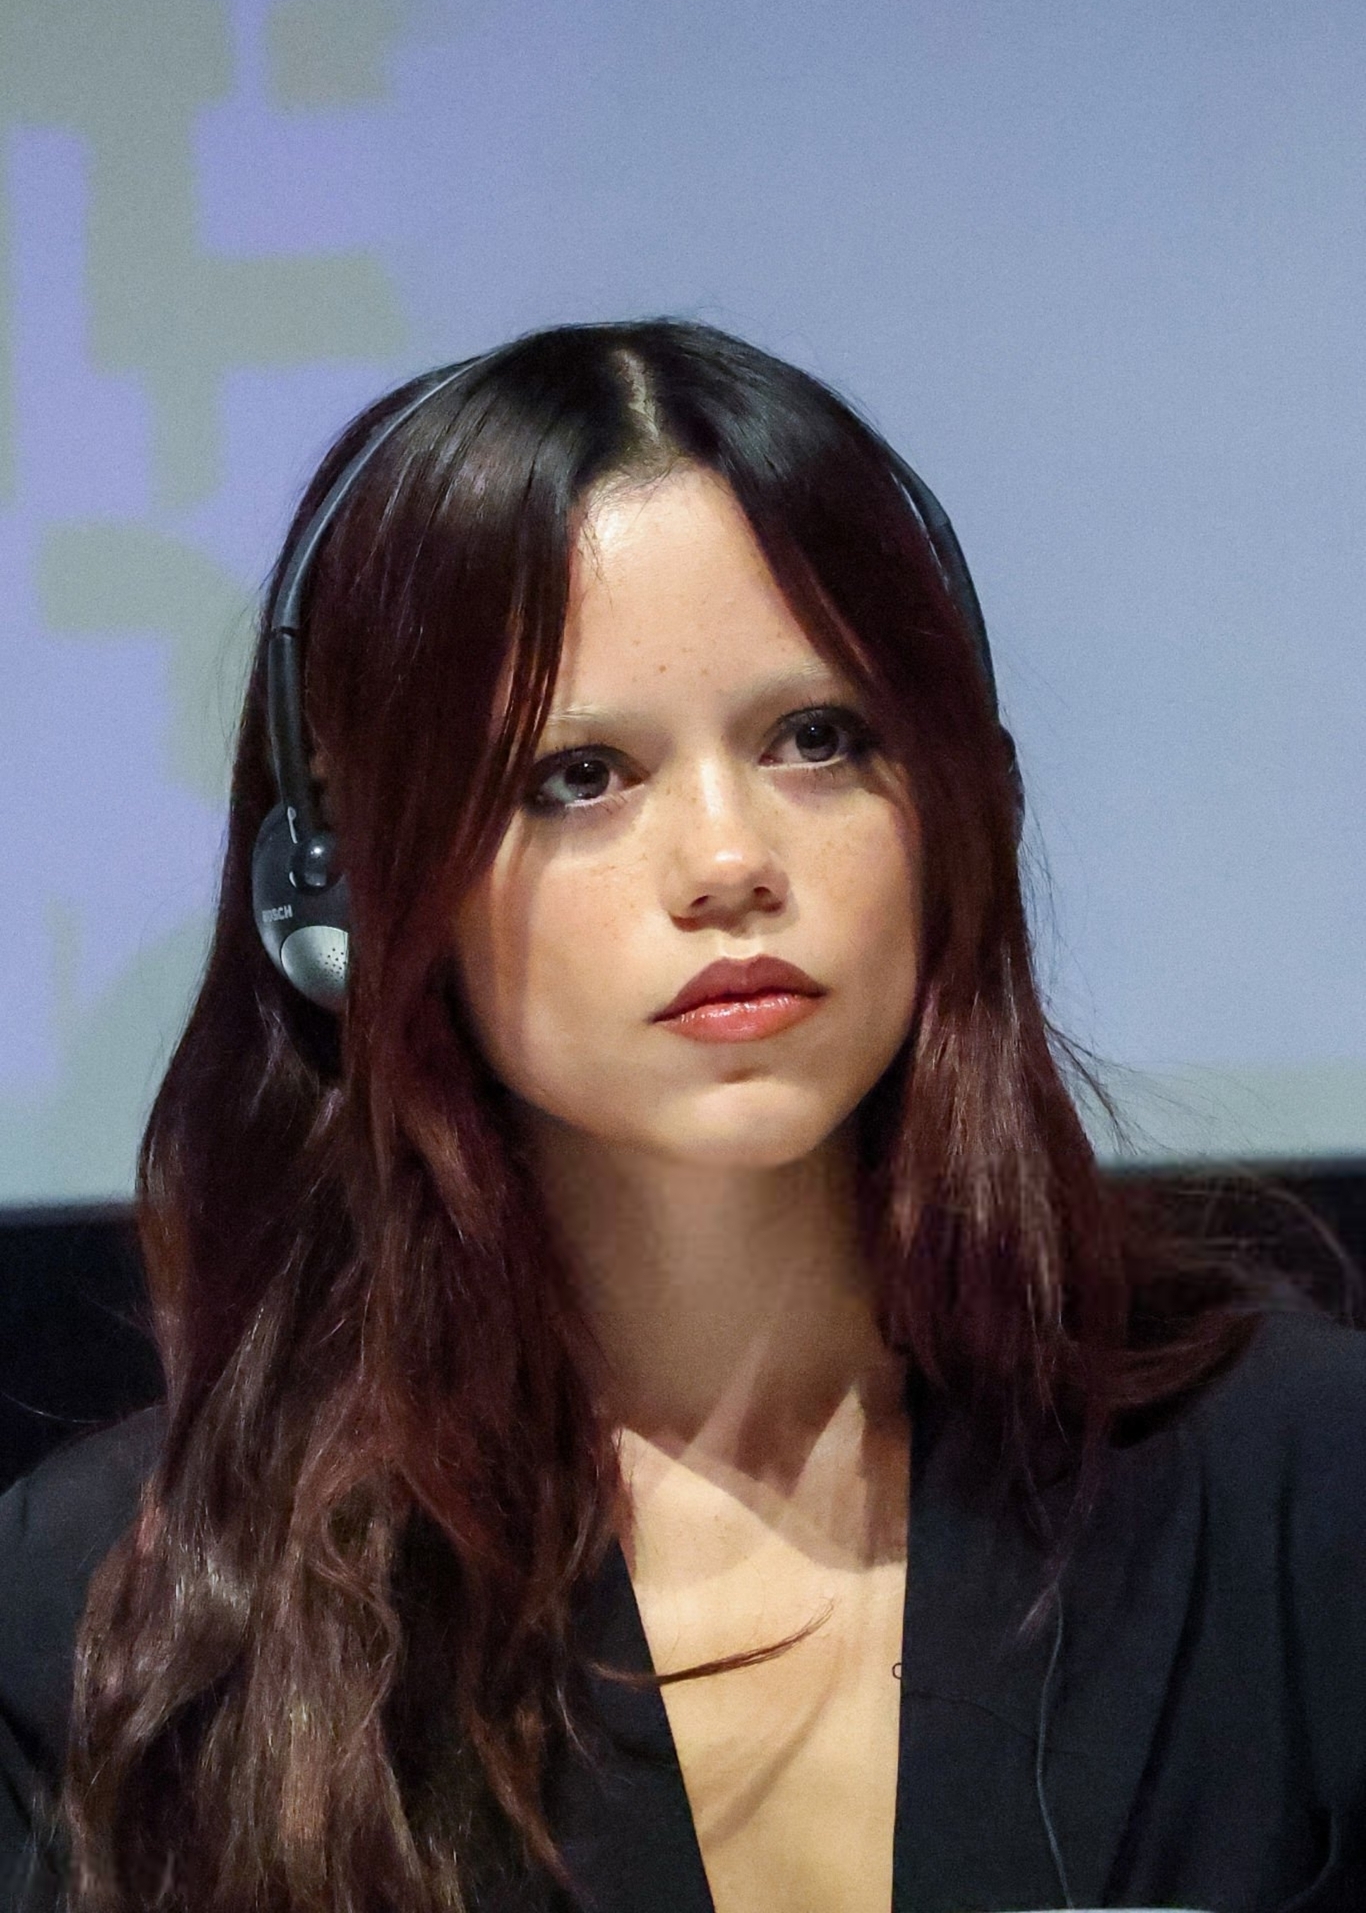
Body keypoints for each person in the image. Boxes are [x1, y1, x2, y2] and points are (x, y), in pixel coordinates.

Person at [0, 318, 1362, 1913]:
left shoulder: (1300, 1484)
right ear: (349, 888)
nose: (727, 861)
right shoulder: (125, 1610)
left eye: (816, 740)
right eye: (577, 774)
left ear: (959, 809)